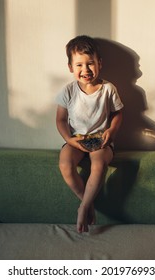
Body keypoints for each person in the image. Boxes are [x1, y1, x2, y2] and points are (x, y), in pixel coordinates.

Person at [56, 35, 123, 233]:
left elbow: (118, 113)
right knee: (65, 164)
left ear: (99, 63)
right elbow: (60, 119)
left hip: (101, 139)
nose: (85, 70)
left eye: (90, 64)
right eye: (79, 65)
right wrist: (69, 139)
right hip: (76, 138)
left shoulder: (108, 89)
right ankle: (87, 202)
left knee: (99, 164)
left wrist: (111, 130)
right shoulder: (68, 90)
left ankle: (83, 207)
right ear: (70, 67)